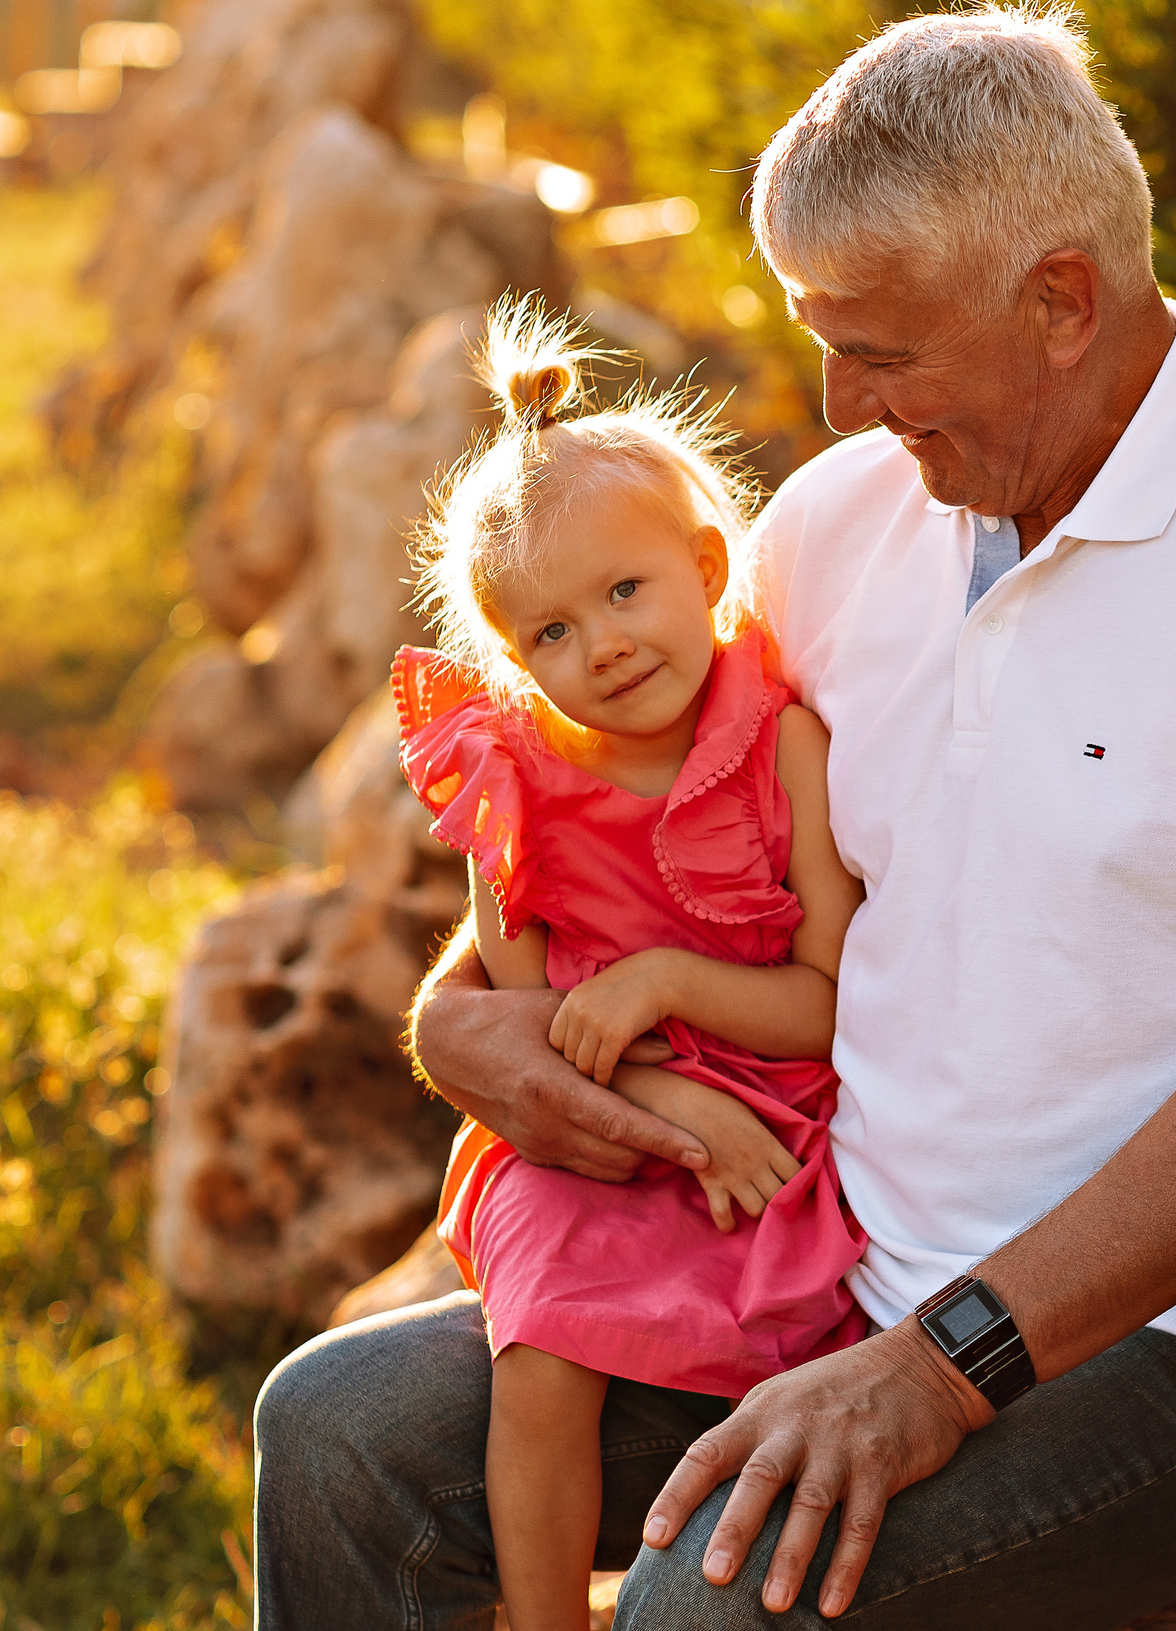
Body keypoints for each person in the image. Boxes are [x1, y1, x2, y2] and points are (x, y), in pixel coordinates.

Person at [250, 2, 1176, 1631]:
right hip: (841, 1265)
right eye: (819, 338)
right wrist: (458, 1027)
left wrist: (946, 1363)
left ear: (1062, 300)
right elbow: (614, 839)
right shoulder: (838, 524)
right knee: (334, 1437)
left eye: (882, 350)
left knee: (708, 1605)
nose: (834, 404)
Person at [391, 298, 868, 1631]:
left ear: (709, 568)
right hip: (592, 1122)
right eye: (545, 634)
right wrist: (670, 1105)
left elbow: (825, 1006)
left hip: (779, 1103)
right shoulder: (513, 779)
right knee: (545, 1355)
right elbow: (522, 1020)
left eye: (623, 592)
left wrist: (662, 984)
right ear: (508, 657)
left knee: (802, 1332)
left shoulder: (783, 749)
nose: (599, 645)